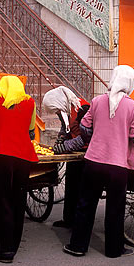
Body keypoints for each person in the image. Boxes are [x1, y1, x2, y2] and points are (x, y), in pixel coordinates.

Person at [63, 65, 134, 258]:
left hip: (93, 162)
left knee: (85, 205)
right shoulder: (133, 107)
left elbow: (85, 128)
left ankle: (78, 246)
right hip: (117, 167)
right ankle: (114, 250)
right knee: (115, 209)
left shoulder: (96, 101)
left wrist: (98, 135)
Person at [0, 76, 38, 264]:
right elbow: (30, 133)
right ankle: (13, 246)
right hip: (23, 157)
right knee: (18, 199)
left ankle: (4, 250)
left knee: (2, 199)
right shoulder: (30, 101)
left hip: (1, 155)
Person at [42, 86, 90, 229]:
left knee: (81, 189)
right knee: (71, 186)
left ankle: (79, 223)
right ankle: (68, 219)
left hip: (85, 154)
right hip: (74, 155)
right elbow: (65, 127)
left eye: (56, 110)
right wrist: (61, 139)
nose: (57, 113)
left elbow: (86, 137)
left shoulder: (83, 109)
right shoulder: (66, 110)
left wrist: (67, 146)